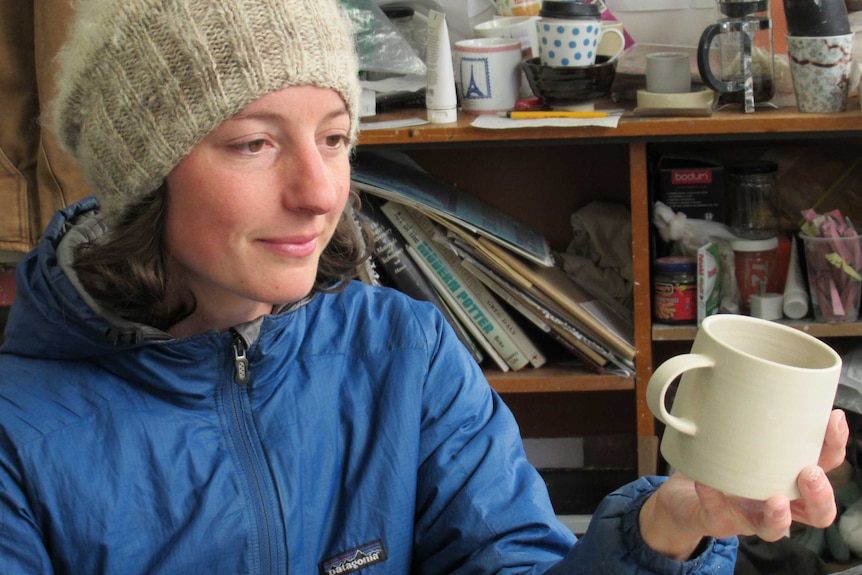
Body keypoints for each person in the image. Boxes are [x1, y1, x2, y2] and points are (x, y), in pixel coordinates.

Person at [0, 0, 848, 573]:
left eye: (334, 139)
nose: (321, 192)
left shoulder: (403, 348)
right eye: (255, 143)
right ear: (145, 174)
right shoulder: (20, 435)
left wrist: (668, 526)